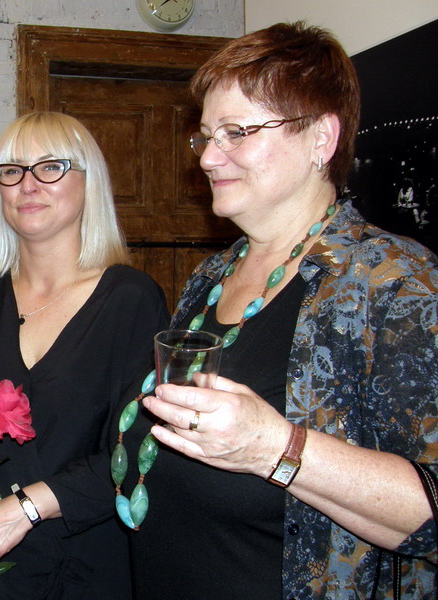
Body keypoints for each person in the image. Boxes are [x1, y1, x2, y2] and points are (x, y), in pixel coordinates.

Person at [119, 22, 437, 599]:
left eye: (237, 132)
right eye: (206, 136)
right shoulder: (212, 276)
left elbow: (431, 509)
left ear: (321, 139)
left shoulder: (396, 283)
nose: (208, 157)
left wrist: (275, 447)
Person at [0, 112, 169, 599]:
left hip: (88, 564)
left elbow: (140, 451)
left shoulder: (131, 299)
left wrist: (28, 507)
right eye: (12, 170)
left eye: (51, 167)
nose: (28, 184)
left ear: (89, 182)